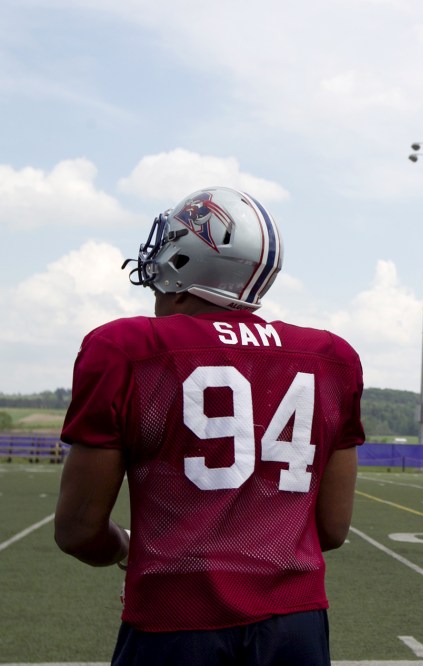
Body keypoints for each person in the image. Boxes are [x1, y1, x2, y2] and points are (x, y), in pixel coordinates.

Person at [53, 187, 364, 666]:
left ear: (183, 259)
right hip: (295, 626)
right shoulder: (331, 358)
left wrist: (123, 549)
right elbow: (332, 529)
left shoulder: (125, 349)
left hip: (175, 624)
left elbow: (78, 531)